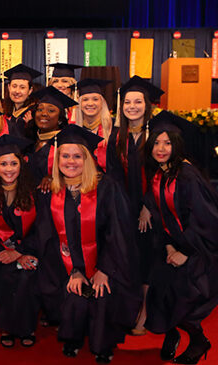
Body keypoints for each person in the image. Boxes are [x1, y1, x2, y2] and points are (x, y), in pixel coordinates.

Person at [37, 125, 141, 363]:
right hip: (66, 267)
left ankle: (103, 345)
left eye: (77, 156)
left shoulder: (107, 187)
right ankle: (73, 338)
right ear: (57, 159)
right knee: (73, 294)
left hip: (108, 265)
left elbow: (119, 233)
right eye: (65, 156)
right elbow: (47, 238)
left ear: (88, 159)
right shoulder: (49, 192)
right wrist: (74, 270)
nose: (70, 162)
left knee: (103, 295)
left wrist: (104, 270)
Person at [143, 111, 218, 364]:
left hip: (199, 250)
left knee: (183, 299)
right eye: (156, 142)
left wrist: (185, 252)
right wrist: (167, 246)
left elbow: (207, 220)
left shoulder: (187, 176)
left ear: (177, 144)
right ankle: (171, 335)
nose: (161, 148)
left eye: (167, 143)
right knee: (159, 293)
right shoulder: (160, 173)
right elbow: (161, 216)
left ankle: (199, 341)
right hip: (172, 246)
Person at [106, 75, 164, 335]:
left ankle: (144, 312)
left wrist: (147, 207)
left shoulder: (158, 135)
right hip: (125, 208)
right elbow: (114, 175)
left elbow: (161, 174)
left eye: (137, 101)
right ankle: (127, 309)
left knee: (148, 260)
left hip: (153, 211)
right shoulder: (118, 136)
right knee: (128, 259)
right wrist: (121, 209)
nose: (132, 106)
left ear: (147, 104)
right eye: (127, 102)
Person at [0, 134, 40, 347]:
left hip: (30, 251)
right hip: (0, 254)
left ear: (21, 164)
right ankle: (7, 326)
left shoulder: (35, 191)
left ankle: (26, 328)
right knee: (6, 276)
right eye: (3, 163)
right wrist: (2, 253)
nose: (9, 169)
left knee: (26, 277)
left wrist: (21, 251)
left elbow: (41, 229)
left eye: (14, 163)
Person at [25, 86, 77, 191]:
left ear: (60, 119)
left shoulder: (66, 144)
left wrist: (56, 178)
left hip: (54, 200)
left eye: (51, 110)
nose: (44, 113)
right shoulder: (29, 140)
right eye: (40, 109)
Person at [73, 79, 113, 172]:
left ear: (102, 103)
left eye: (95, 99)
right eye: (85, 99)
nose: (90, 103)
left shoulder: (113, 129)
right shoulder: (75, 131)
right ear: (79, 104)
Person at [2, 64, 42, 137]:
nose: (17, 91)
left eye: (22, 87)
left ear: (30, 90)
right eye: (14, 86)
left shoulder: (34, 112)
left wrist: (30, 125)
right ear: (9, 87)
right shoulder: (5, 110)